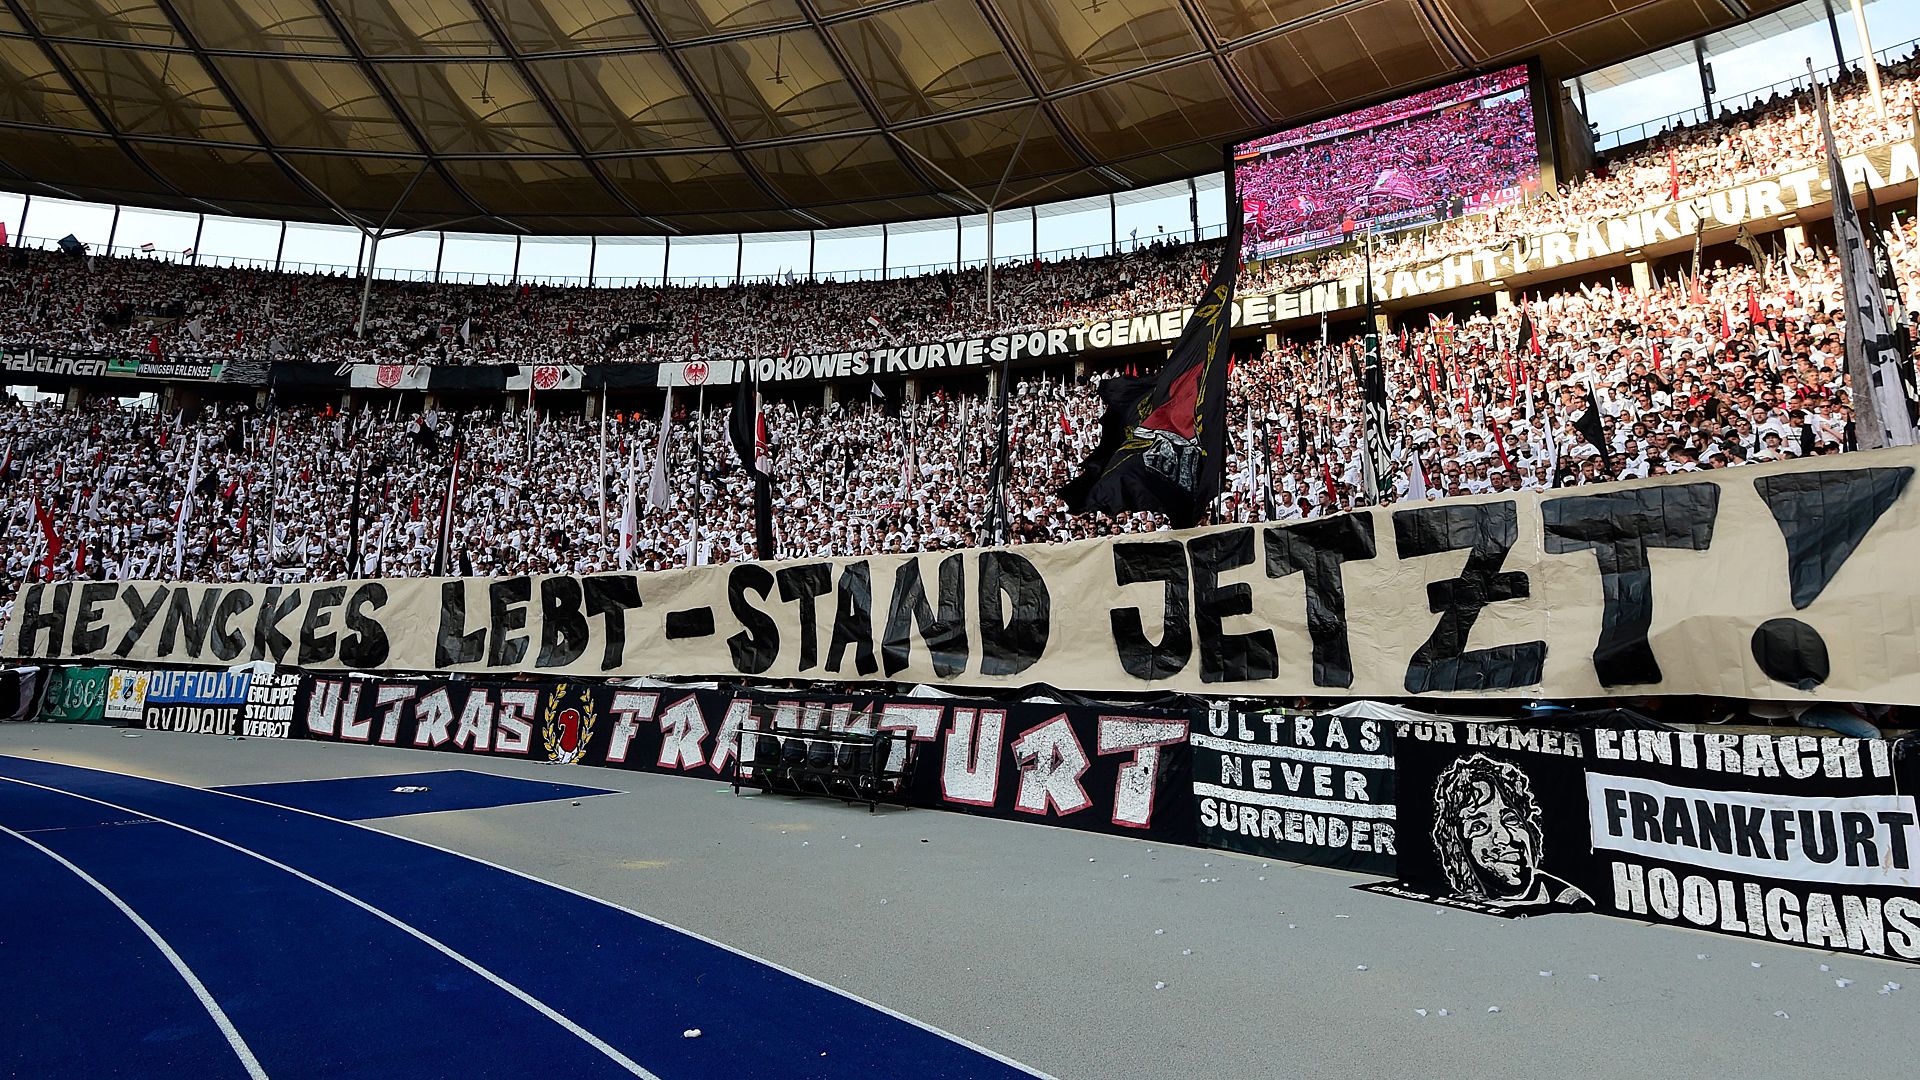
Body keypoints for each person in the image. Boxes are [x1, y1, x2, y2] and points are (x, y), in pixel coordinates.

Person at [1430, 753, 1592, 910]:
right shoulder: (1460, 900)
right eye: (1478, 826)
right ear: (1457, 846)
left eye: (1511, 820)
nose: (1504, 837)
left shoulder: (1567, 899)